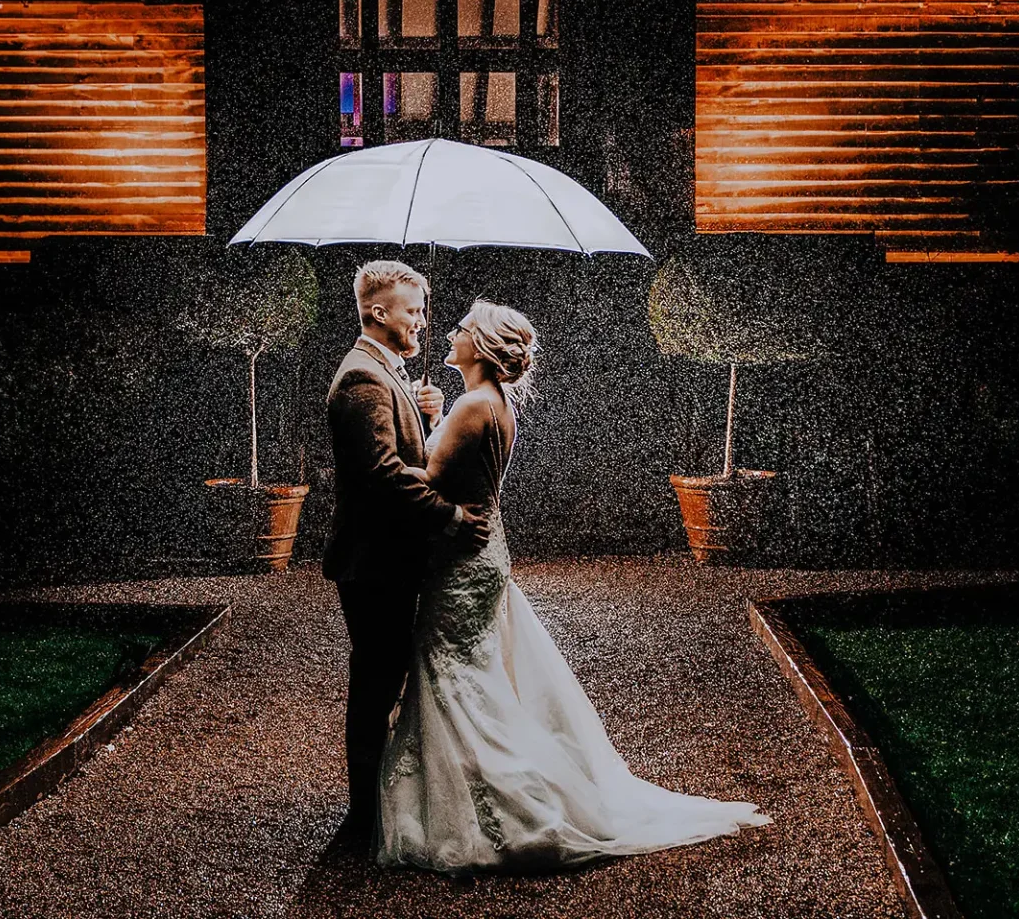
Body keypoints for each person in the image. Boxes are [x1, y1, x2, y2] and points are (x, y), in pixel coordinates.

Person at [376, 299, 771, 872]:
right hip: (484, 553)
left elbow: (428, 482)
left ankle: (508, 804)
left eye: (462, 328)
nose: (452, 333)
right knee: (473, 668)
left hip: (461, 560)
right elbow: (455, 468)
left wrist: (387, 459)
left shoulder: (472, 404)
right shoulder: (491, 405)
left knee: (454, 671)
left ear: (482, 347)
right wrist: (428, 416)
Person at [323, 260, 491, 840]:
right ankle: (363, 819)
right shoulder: (362, 378)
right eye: (413, 311)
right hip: (374, 562)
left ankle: (375, 809)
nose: (422, 321)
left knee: (386, 677)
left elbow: (402, 453)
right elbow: (383, 475)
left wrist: (424, 418)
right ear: (379, 313)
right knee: (375, 683)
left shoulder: (387, 373)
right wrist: (450, 517)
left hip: (392, 558)